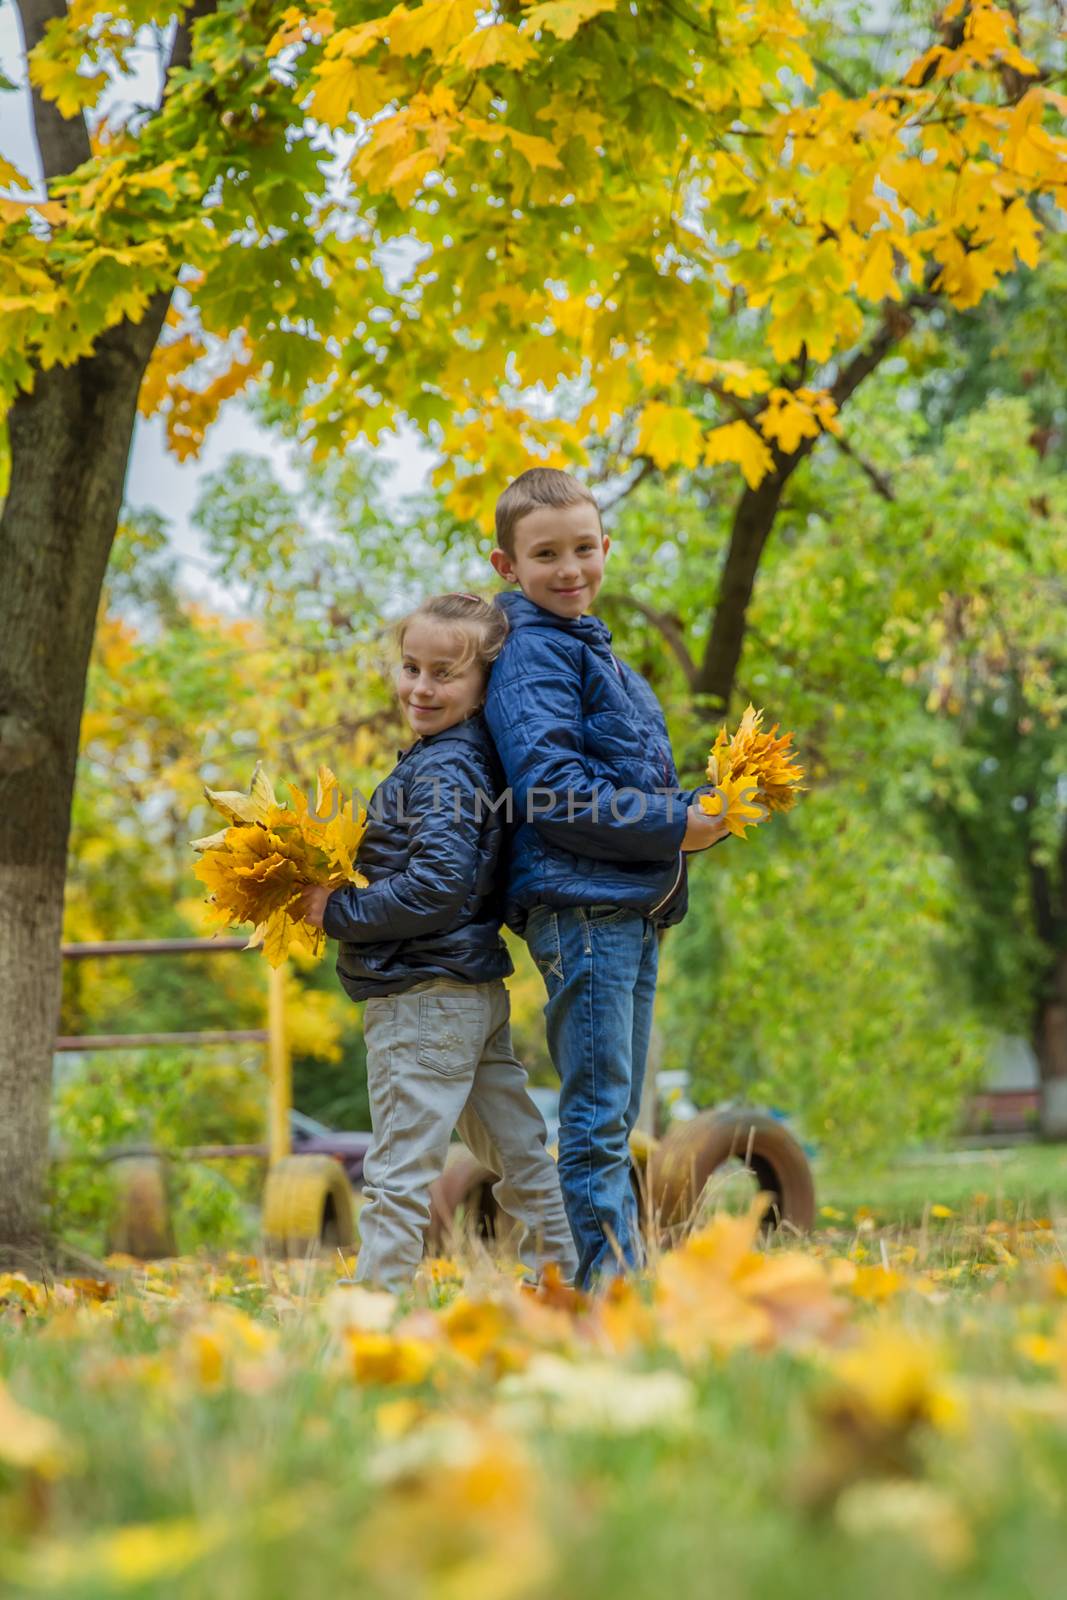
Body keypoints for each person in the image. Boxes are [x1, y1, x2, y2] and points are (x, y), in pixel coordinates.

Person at [484, 468, 728, 1287]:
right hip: (581, 905)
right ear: (505, 566)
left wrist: (705, 808)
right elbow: (551, 792)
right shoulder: (531, 655)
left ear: (605, 547)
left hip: (624, 904)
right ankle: (605, 1293)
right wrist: (674, 825)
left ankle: (600, 1282)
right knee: (594, 1119)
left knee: (612, 1114)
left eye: (582, 548)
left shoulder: (593, 653)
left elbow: (632, 785)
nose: (569, 568)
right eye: (545, 553)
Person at [300, 593, 577, 1291]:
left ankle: (371, 1314)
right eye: (411, 667)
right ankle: (571, 1286)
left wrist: (337, 911)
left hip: (422, 995)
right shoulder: (466, 757)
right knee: (521, 1155)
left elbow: (434, 888)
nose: (420, 688)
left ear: (485, 684)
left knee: (397, 1172)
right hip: (468, 994)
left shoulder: (444, 768)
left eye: (444, 674)